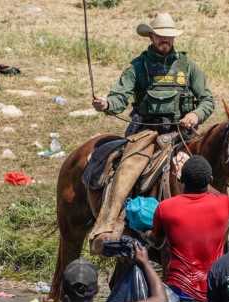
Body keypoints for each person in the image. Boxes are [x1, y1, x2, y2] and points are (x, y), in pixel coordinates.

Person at [89, 12, 214, 254]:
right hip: (146, 132)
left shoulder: (188, 67)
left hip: (182, 131)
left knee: (212, 164)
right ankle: (108, 224)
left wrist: (196, 115)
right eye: (160, 36)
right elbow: (119, 96)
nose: (164, 40)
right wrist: (106, 104)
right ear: (151, 36)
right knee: (128, 167)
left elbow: (207, 99)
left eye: (168, 36)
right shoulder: (138, 66)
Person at [150, 155, 229, 302]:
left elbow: (156, 240)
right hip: (213, 292)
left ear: (181, 179)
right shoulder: (225, 203)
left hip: (179, 292)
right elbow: (217, 193)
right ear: (209, 180)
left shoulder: (165, 207)